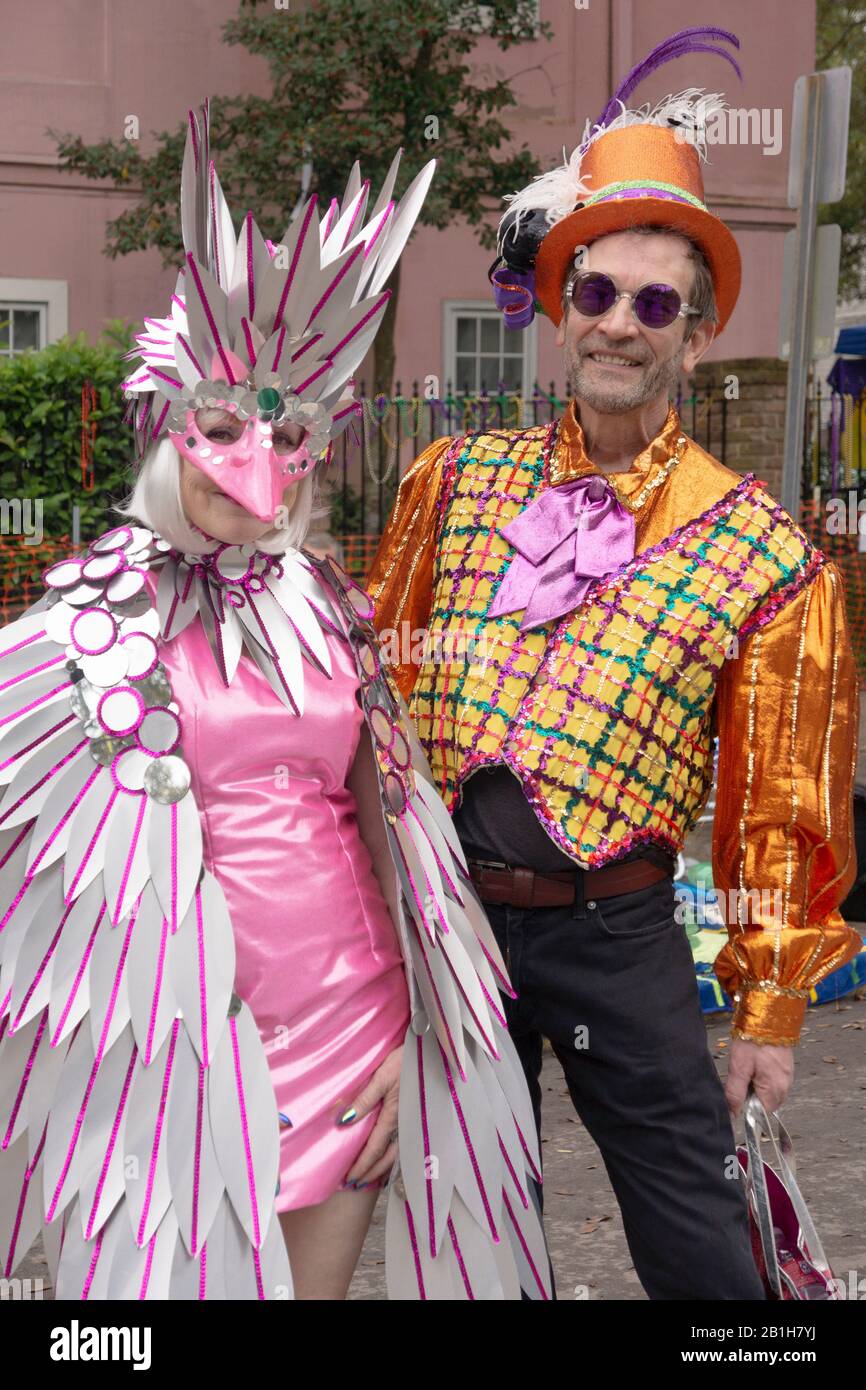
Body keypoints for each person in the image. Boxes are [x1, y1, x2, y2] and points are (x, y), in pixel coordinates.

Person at [0, 101, 550, 1302]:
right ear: (168, 430)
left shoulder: (327, 606)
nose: (251, 463)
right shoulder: (79, 629)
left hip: (355, 1032)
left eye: (286, 429)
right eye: (220, 425)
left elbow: (398, 836)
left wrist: (426, 1039)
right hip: (173, 1052)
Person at [367, 28, 862, 1300]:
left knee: (701, 1243)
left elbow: (778, 805)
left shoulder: (765, 556)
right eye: (596, 292)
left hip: (620, 931)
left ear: (693, 336)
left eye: (655, 304)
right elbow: (366, 693)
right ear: (558, 304)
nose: (619, 325)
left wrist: (764, 1009)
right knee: (466, 1226)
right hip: (452, 924)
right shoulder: (451, 480)